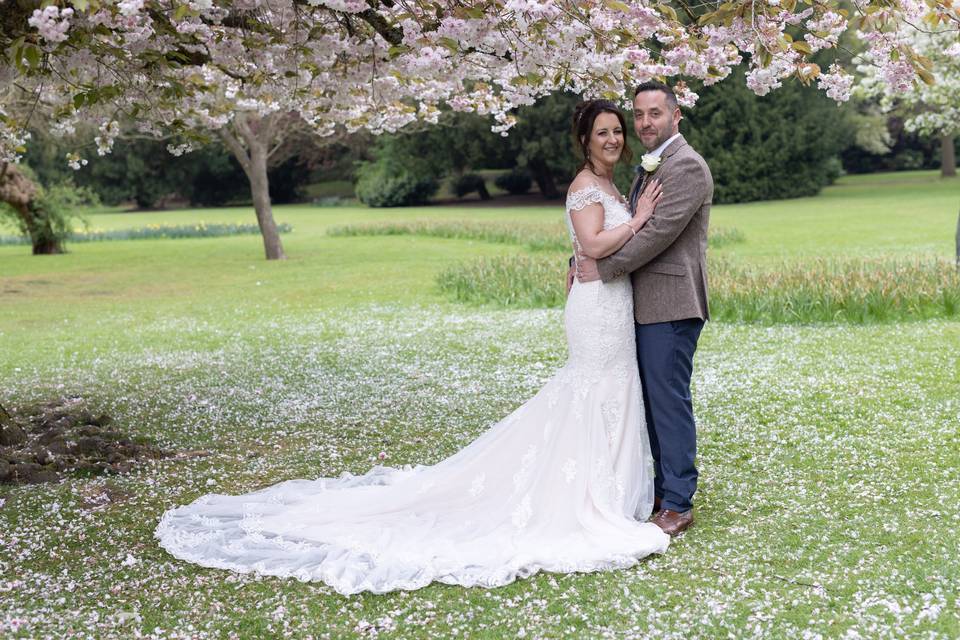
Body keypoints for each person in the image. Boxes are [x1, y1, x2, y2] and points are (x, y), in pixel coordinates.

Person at [155, 99, 670, 597]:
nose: (612, 139)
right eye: (601, 132)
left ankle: (609, 493)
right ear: (584, 140)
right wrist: (641, 217)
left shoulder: (608, 183)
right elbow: (597, 244)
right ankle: (583, 498)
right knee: (592, 390)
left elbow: (586, 246)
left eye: (616, 131)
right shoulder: (584, 185)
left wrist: (604, 236)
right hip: (596, 309)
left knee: (613, 390)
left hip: (611, 304)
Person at [574, 81, 713, 536]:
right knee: (651, 402)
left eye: (655, 113)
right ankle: (661, 488)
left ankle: (678, 501)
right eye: (640, 114)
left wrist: (603, 267)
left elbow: (655, 235)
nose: (645, 123)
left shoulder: (687, 167)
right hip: (638, 304)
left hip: (671, 303)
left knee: (668, 402)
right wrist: (584, 260)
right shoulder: (649, 168)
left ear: (676, 116)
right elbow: (616, 227)